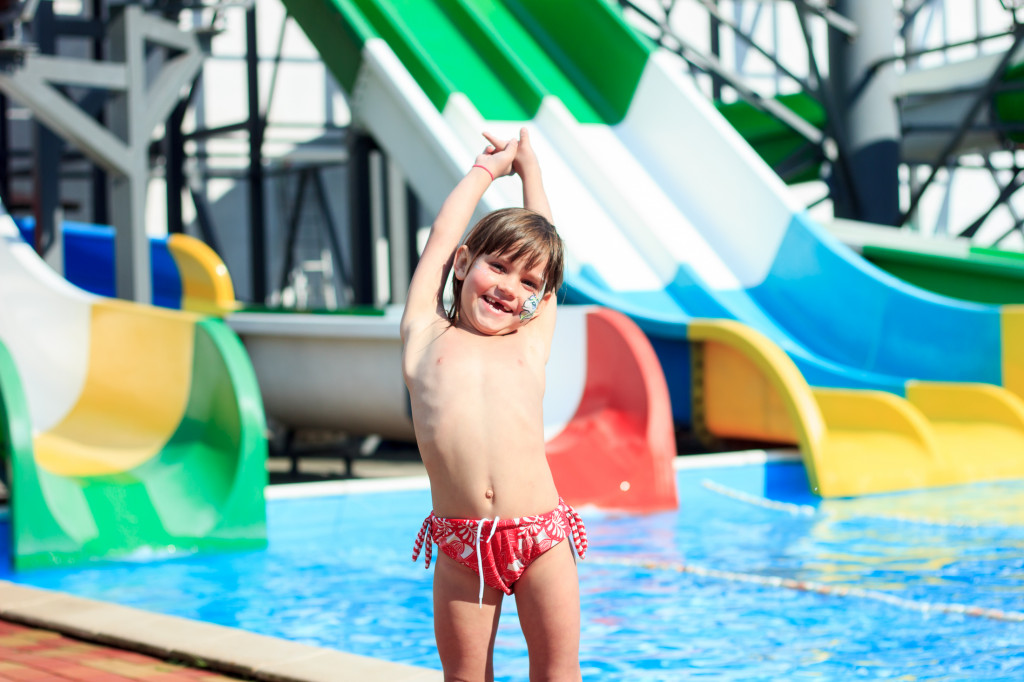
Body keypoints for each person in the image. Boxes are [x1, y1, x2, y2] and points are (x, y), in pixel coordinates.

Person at [402, 127, 587, 682]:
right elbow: (441, 235)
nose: (511, 286)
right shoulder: (424, 334)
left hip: (541, 537)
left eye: (529, 282)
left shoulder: (529, 342)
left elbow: (549, 260)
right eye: (498, 267)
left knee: (557, 673)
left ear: (540, 298)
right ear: (462, 263)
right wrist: (486, 171)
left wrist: (531, 170)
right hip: (461, 544)